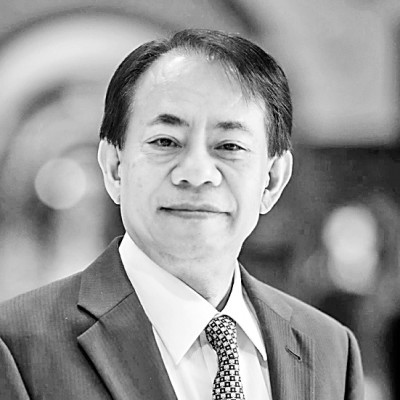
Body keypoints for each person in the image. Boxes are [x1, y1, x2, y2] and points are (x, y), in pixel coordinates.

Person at [0, 29, 364, 400]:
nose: (196, 172)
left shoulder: (330, 349)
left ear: (271, 180)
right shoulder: (16, 347)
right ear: (114, 167)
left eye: (229, 145)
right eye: (165, 141)